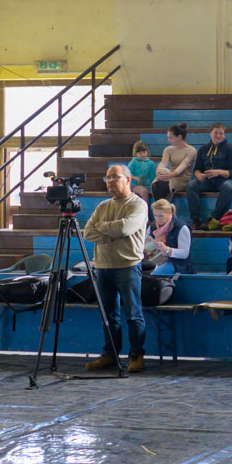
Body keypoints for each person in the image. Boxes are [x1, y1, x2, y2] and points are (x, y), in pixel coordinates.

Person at [81, 164, 149, 373]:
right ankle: (110, 354)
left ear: (128, 180)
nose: (110, 181)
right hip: (102, 267)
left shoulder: (138, 205)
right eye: (107, 178)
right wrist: (110, 235)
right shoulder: (103, 206)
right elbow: (87, 232)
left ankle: (137, 356)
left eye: (114, 177)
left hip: (127, 266)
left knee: (133, 314)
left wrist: (103, 228)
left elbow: (125, 228)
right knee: (108, 316)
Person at [186, 122, 232, 229]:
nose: (218, 135)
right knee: (191, 185)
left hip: (224, 180)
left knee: (228, 187)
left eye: (221, 133)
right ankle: (196, 220)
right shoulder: (203, 149)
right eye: (216, 133)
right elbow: (197, 169)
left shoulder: (231, 149)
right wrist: (198, 175)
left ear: (224, 135)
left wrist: (219, 172)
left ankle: (214, 218)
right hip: (207, 180)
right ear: (210, 134)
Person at [141, 198, 192, 277]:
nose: (158, 219)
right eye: (155, 215)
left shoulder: (181, 227)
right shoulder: (152, 227)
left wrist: (167, 249)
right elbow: (144, 243)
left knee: (153, 274)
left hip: (176, 263)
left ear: (169, 213)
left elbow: (185, 253)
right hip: (154, 260)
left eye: (161, 216)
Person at [151, 123, 195, 203]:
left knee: (164, 185)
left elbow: (183, 165)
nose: (168, 140)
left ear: (179, 137)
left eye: (171, 138)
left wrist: (171, 174)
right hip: (169, 176)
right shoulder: (168, 149)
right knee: (155, 184)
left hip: (182, 178)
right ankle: (160, 206)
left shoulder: (191, 150)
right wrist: (158, 171)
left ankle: (162, 207)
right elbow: (163, 163)